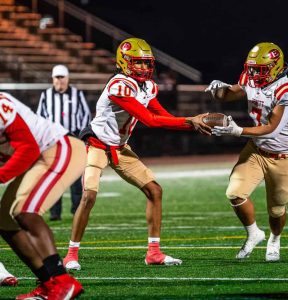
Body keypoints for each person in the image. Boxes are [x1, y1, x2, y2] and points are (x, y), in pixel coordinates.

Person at [63, 37, 210, 270]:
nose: (143, 68)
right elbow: (150, 120)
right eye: (137, 63)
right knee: (89, 195)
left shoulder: (148, 86)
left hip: (120, 148)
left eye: (145, 63)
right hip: (97, 145)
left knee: (155, 190)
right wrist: (190, 122)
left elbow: (164, 116)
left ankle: (154, 253)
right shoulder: (118, 85)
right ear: (123, 63)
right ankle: (71, 255)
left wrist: (193, 124)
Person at [205, 42, 288, 262]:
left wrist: (237, 130)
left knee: (276, 210)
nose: (255, 73)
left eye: (261, 69)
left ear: (276, 67)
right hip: (256, 150)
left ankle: (275, 238)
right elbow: (228, 95)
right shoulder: (250, 77)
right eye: (252, 68)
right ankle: (254, 233)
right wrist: (218, 89)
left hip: (284, 155)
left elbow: (272, 129)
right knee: (235, 193)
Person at [0, 91, 86, 299]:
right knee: (3, 219)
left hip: (58, 148)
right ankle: (49, 284)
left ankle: (62, 281)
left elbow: (28, 148)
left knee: (25, 211)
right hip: (37, 158)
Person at [37, 64, 91, 221]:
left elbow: (85, 116)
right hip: (53, 142)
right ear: (52, 79)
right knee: (54, 177)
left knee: (75, 177)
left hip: (73, 139)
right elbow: (40, 118)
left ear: (67, 78)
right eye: (57, 77)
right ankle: (55, 212)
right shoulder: (46, 96)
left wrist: (80, 137)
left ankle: (76, 210)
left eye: (62, 77)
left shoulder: (77, 94)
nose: (59, 80)